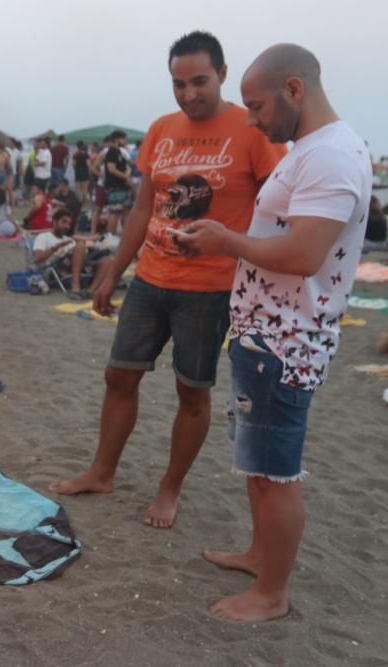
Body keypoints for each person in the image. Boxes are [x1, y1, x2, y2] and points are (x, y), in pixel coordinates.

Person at [49, 31, 287, 530]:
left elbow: (279, 209)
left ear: (222, 74)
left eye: (199, 81)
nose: (188, 93)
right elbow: (143, 208)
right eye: (178, 84)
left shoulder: (253, 133)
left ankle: (170, 487)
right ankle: (102, 471)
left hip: (210, 288)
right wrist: (114, 268)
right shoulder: (160, 129)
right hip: (150, 279)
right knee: (119, 375)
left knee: (192, 392)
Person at [176, 43, 373, 622]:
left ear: (294, 89)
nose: (253, 120)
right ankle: (261, 555)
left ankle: (272, 593)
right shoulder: (310, 150)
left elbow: (304, 254)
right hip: (266, 332)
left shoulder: (332, 155)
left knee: (275, 473)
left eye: (257, 107)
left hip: (287, 342)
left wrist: (224, 241)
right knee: (257, 463)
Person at [103, 130, 132, 236]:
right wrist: (126, 177)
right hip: (115, 186)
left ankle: (127, 234)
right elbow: (111, 169)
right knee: (115, 212)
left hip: (121, 186)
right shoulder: (112, 152)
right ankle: (110, 236)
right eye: (123, 138)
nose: (125, 141)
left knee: (124, 210)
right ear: (116, 139)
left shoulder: (119, 152)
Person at [73, 141, 91, 205]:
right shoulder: (86, 155)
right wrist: (89, 172)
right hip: (84, 171)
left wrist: (76, 169)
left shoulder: (75, 154)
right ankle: (84, 202)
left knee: (78, 188)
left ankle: (79, 201)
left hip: (77, 171)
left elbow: (73, 164)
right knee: (85, 188)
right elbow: (88, 164)